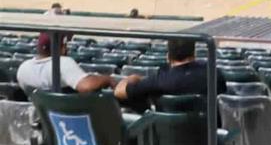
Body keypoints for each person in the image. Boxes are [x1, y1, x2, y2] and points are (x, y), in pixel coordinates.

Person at [93, 39, 226, 107]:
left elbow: (118, 91)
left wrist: (133, 78)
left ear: (168, 57)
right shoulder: (213, 73)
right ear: (194, 54)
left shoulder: (159, 79)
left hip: (165, 141)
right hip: (208, 142)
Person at [17, 33, 115, 96]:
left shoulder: (23, 68)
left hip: (40, 116)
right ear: (62, 47)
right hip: (64, 116)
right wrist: (108, 79)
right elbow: (86, 86)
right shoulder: (63, 63)